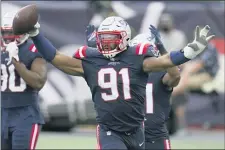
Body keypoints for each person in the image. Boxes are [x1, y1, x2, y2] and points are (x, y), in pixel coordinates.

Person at [17, 14, 213, 149]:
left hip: (138, 130)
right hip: (110, 130)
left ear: (125, 38)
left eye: (112, 38)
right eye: (103, 38)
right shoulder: (92, 60)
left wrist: (191, 50)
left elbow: (167, 62)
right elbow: (56, 57)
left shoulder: (138, 58)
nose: (106, 43)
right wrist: (36, 35)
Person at [1, 11, 47, 149]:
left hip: (26, 116)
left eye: (11, 32)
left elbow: (38, 82)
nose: (6, 36)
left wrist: (15, 60)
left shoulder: (33, 50)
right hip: (3, 114)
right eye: (4, 32)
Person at [130, 25, 180, 149]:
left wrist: (163, 50)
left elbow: (175, 76)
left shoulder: (161, 74)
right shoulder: (126, 72)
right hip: (130, 134)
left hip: (155, 136)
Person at [171, 42, 219, 135]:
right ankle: (180, 126)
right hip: (196, 75)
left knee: (180, 86)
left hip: (208, 76)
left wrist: (185, 74)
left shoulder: (209, 48)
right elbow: (187, 63)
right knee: (179, 87)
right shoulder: (195, 48)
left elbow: (197, 66)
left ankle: (170, 94)